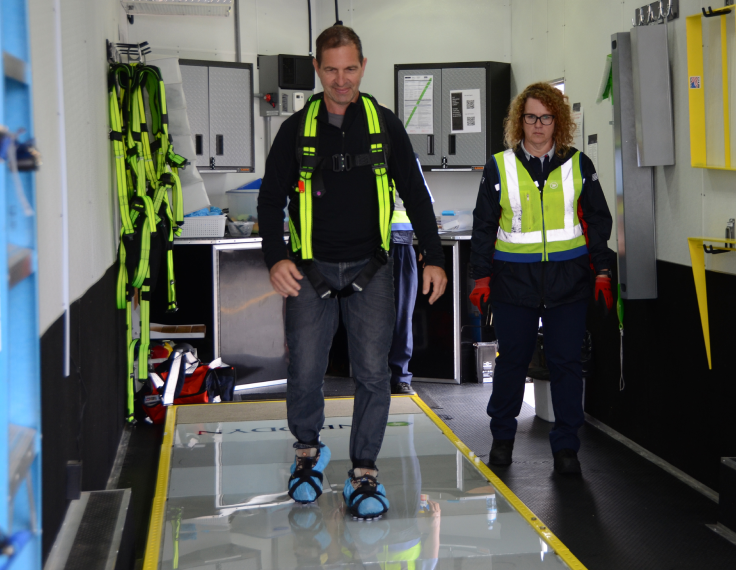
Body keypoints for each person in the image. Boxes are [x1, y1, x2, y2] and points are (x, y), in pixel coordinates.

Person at [257, 25, 447, 517]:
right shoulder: (296, 129)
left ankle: (364, 472)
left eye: (350, 68)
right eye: (330, 69)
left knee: (372, 374)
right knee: (304, 370)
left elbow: (417, 194)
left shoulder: (384, 126)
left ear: (363, 66)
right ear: (318, 70)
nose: (341, 80)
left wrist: (435, 256)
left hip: (372, 268)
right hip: (309, 268)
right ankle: (306, 457)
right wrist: (275, 256)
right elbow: (270, 196)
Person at [469, 82, 614, 475]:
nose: (538, 125)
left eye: (546, 117)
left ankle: (566, 447)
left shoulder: (579, 165)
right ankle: (502, 438)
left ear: (558, 121)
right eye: (531, 117)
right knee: (512, 361)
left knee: (566, 362)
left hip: (569, 281)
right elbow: (483, 228)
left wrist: (602, 271)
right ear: (520, 121)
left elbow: (597, 224)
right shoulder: (498, 166)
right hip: (512, 282)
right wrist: (480, 278)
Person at [388, 152, 435, 396]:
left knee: (401, 314)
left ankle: (399, 376)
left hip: (400, 242)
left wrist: (427, 245)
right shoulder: (351, 149)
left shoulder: (405, 155)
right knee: (363, 317)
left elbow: (422, 201)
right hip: (360, 244)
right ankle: (372, 376)